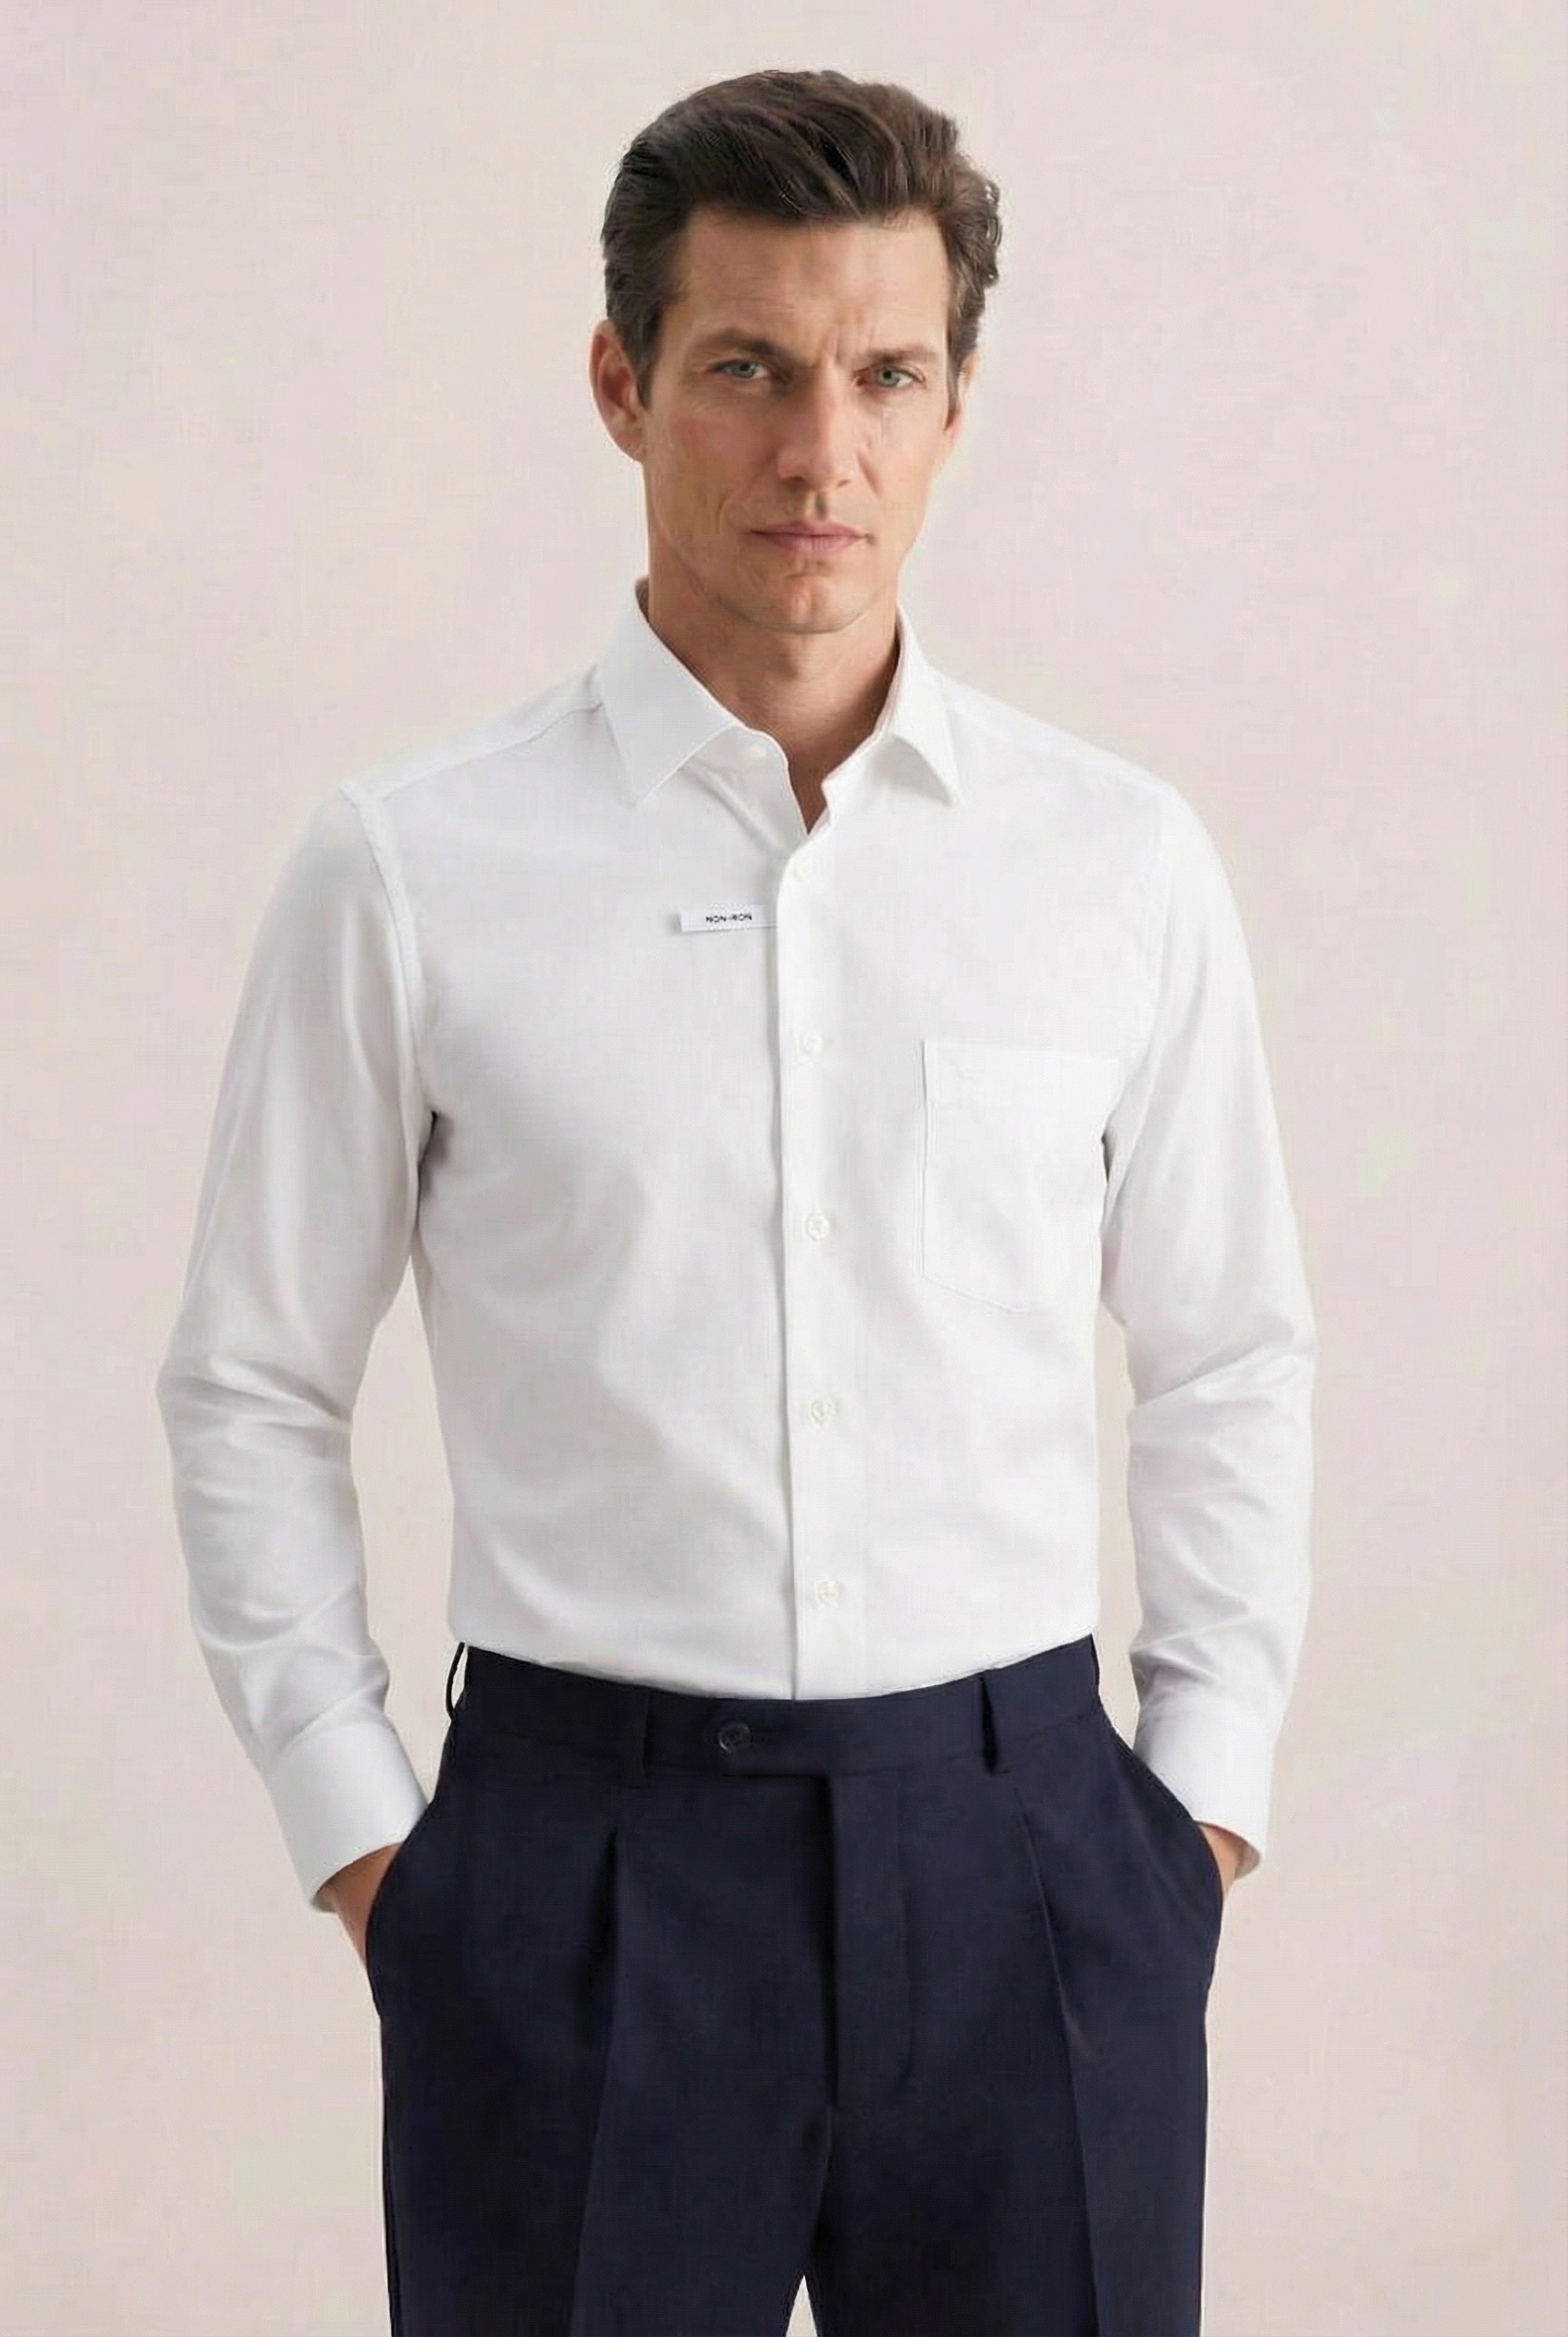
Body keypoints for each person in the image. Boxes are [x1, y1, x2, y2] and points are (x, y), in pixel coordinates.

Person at [154, 65, 1316, 2337]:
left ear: (953, 403)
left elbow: (1227, 1352)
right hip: (575, 1873)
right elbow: (249, 1381)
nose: (821, 455)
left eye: (884, 376)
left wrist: (1189, 1815)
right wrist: (372, 1844)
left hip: (1028, 1859)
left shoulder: (1113, 864)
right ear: (621, 385)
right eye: (749, 370)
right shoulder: (413, 867)